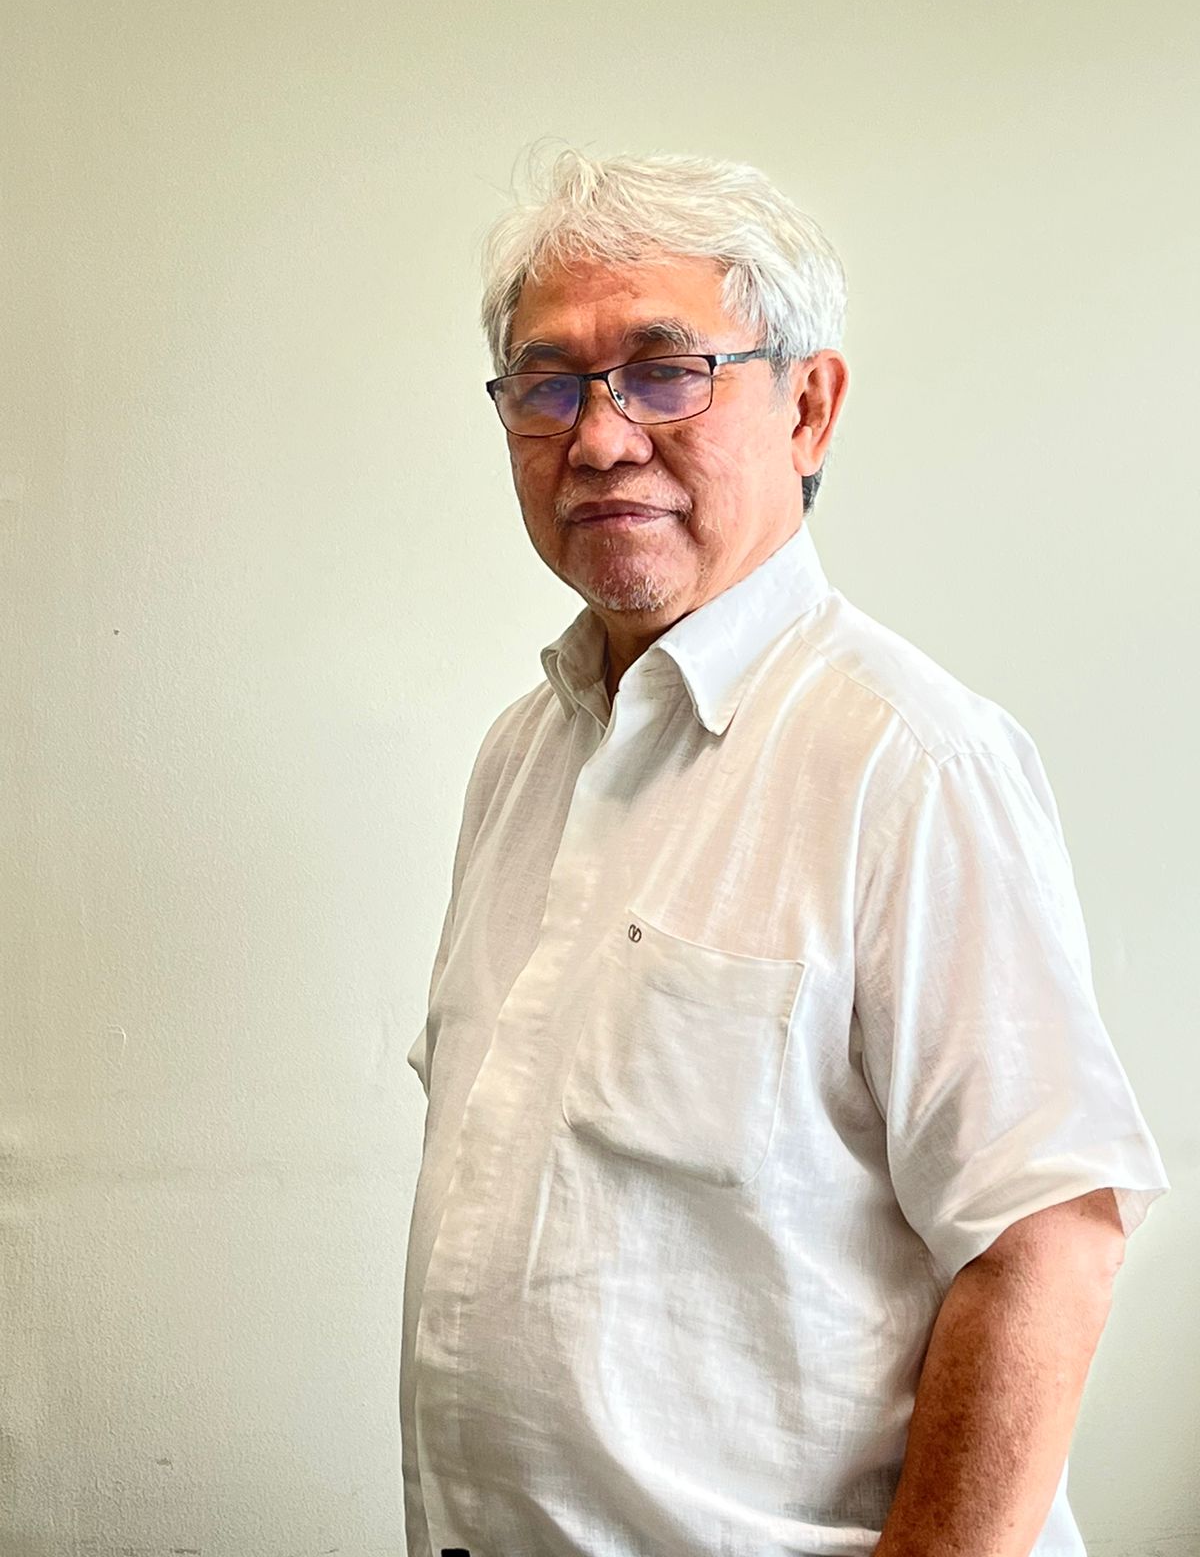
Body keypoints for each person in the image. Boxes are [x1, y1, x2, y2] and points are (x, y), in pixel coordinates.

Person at [399, 148, 1169, 1557]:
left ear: (808, 406)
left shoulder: (910, 761)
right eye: (549, 383)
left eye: (666, 368)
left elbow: (1045, 1249)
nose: (602, 435)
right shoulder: (520, 757)